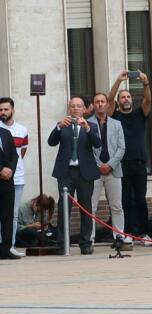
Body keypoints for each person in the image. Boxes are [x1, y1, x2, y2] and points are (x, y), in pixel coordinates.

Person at [48, 96, 101, 255]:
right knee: (64, 207)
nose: (76, 109)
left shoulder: (91, 125)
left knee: (86, 208)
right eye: (73, 106)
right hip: (66, 172)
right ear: (69, 109)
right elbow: (51, 142)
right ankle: (63, 243)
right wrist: (57, 128)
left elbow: (98, 144)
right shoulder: (63, 126)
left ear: (85, 109)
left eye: (79, 106)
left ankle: (85, 243)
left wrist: (87, 129)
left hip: (84, 172)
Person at [107, 70, 152, 243]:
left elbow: (148, 100)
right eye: (123, 97)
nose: (126, 99)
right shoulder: (115, 116)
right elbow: (109, 100)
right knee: (125, 200)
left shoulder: (140, 114)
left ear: (132, 100)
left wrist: (145, 83)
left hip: (139, 163)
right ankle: (127, 233)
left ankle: (143, 233)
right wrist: (118, 80)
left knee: (140, 199)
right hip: (121, 164)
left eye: (128, 97)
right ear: (119, 101)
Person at [87, 93, 127, 244]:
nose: (100, 104)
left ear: (108, 104)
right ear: (93, 105)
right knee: (91, 206)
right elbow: (87, 149)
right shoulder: (87, 123)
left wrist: (110, 165)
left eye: (103, 101)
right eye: (97, 102)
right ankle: (89, 239)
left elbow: (121, 148)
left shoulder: (117, 124)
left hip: (114, 170)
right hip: (95, 171)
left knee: (117, 206)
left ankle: (119, 236)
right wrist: (99, 166)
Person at [0, 97, 28, 257]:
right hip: (2, 176)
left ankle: (8, 246)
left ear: (12, 110)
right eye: (0, 110)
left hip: (13, 178)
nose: (3, 112)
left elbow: (18, 153)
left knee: (11, 214)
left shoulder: (17, 131)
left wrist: (9, 169)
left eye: (6, 109)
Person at [0, 122, 19, 259]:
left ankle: (6, 249)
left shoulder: (5, 133)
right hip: (2, 173)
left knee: (8, 217)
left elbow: (15, 155)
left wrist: (10, 169)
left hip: (7, 182)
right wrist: (1, 170)